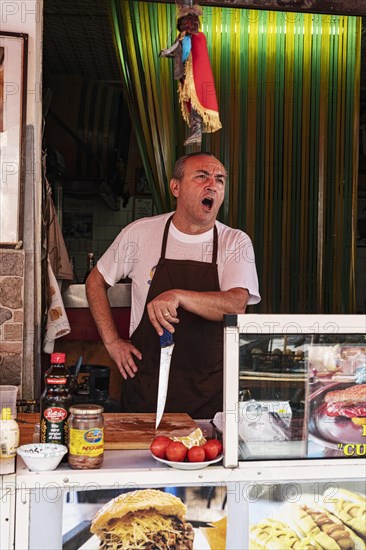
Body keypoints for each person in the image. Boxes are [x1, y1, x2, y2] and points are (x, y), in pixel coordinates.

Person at [86, 152, 260, 418]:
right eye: (202, 176)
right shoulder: (140, 233)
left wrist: (177, 295)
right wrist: (112, 342)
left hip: (208, 396)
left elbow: (236, 304)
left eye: (220, 179)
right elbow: (95, 281)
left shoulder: (235, 242)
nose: (212, 184)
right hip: (145, 388)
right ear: (175, 187)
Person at [159, 6, 221, 146]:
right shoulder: (183, 37)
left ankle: (197, 131)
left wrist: (167, 51)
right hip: (187, 74)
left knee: (196, 100)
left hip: (196, 74)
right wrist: (167, 52)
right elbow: (177, 50)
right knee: (193, 102)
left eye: (192, 23)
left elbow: (177, 49)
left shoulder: (197, 37)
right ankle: (196, 131)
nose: (189, 26)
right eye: (185, 24)